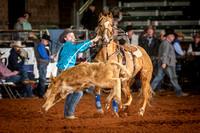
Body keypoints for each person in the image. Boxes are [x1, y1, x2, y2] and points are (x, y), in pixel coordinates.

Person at [57, 28, 101, 120]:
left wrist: (89, 46)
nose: (73, 37)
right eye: (70, 36)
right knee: (78, 93)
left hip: (64, 73)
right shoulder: (69, 46)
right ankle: (69, 114)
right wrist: (92, 40)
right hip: (66, 73)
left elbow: (79, 48)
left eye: (73, 36)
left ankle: (67, 114)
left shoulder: (67, 46)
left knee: (72, 93)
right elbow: (79, 48)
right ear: (65, 38)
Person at [151, 29, 188, 97]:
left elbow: (167, 54)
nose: (174, 38)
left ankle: (148, 92)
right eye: (173, 36)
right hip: (168, 64)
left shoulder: (166, 43)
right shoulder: (166, 43)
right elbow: (164, 54)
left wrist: (172, 59)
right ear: (169, 36)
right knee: (173, 78)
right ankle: (179, 93)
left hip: (167, 63)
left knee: (158, 77)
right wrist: (164, 63)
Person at [35, 34, 56, 98]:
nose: (48, 42)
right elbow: (43, 56)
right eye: (47, 41)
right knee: (43, 79)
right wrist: (51, 57)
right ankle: (41, 94)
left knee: (42, 79)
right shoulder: (41, 46)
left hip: (42, 64)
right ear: (43, 40)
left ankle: (40, 93)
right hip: (42, 64)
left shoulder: (41, 46)